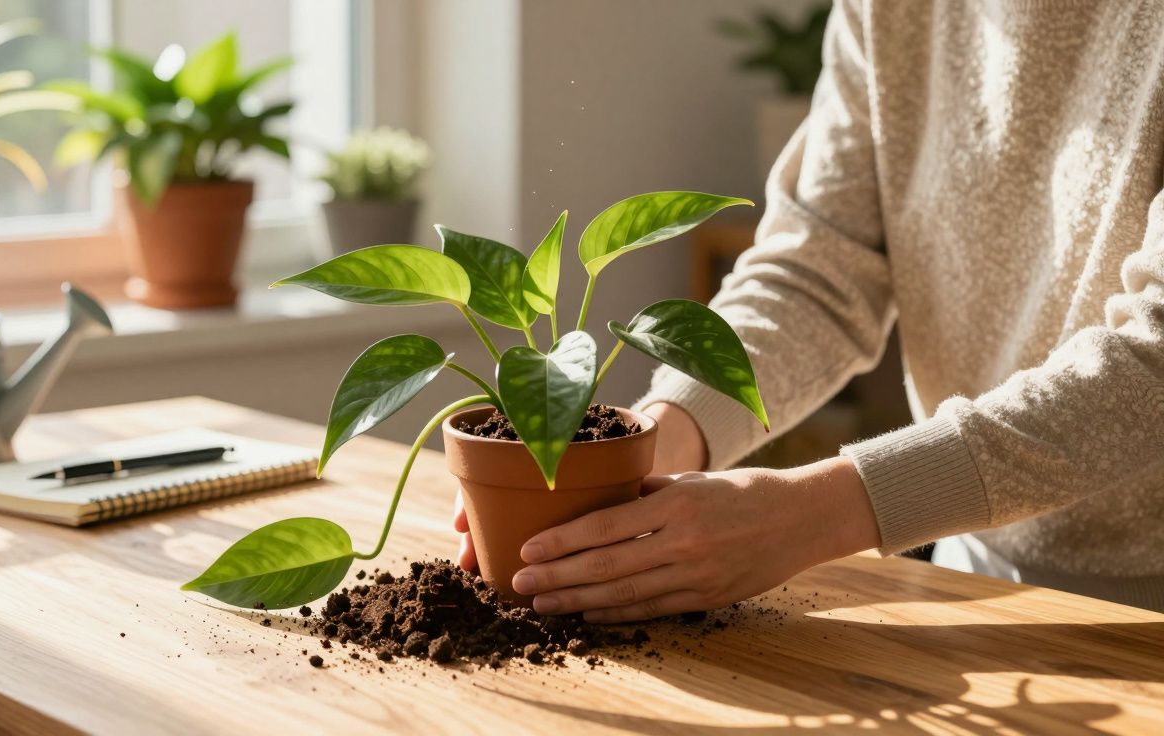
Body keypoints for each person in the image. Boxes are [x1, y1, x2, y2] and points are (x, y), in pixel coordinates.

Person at [454, 0, 1164, 619]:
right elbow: (819, 269)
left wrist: (817, 514)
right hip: (973, 565)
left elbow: (1155, 357)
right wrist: (658, 443)